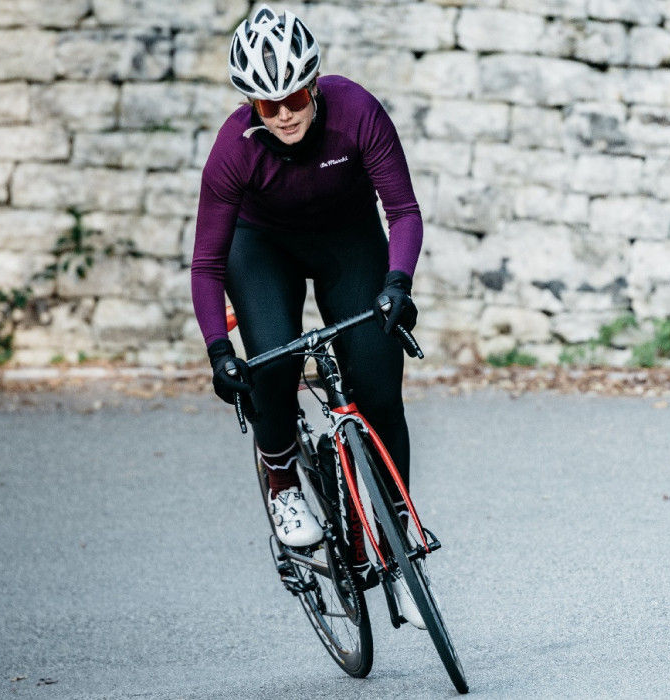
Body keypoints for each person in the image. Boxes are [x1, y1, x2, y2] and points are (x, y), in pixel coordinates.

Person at [192, 5, 427, 627]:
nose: (286, 112)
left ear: (315, 85)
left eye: (295, 95)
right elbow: (207, 265)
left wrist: (398, 284)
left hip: (349, 239)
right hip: (261, 248)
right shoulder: (232, 152)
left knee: (378, 388)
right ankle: (283, 482)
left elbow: (403, 212)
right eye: (269, 105)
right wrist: (219, 349)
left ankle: (400, 547)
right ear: (251, 107)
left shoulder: (357, 113)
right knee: (273, 357)